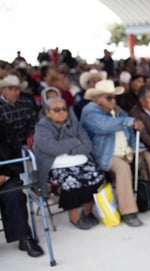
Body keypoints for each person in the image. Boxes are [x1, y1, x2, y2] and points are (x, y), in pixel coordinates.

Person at [80, 80, 150, 227]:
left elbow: (129, 130)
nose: (113, 100)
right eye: (108, 97)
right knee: (123, 168)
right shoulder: (89, 111)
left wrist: (137, 146)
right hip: (106, 154)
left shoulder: (117, 110)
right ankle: (128, 212)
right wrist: (129, 121)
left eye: (114, 97)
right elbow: (104, 126)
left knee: (149, 159)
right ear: (97, 98)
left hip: (127, 150)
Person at [34, 97, 105, 230]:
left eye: (63, 109)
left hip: (76, 159)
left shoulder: (74, 122)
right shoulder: (42, 126)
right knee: (70, 180)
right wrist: (74, 141)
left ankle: (87, 210)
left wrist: (71, 150)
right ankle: (73, 214)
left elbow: (87, 145)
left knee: (97, 175)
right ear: (48, 112)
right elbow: (51, 148)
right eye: (56, 110)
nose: (61, 112)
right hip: (53, 164)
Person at [0, 121, 44, 257]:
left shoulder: (4, 128)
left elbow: (17, 155)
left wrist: (5, 176)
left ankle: (24, 238)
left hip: (5, 176)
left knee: (14, 195)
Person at [0, 74, 38, 145]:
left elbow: (34, 122)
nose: (14, 93)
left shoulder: (27, 102)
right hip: (6, 145)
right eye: (10, 89)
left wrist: (30, 137)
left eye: (17, 89)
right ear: (3, 91)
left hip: (27, 141)